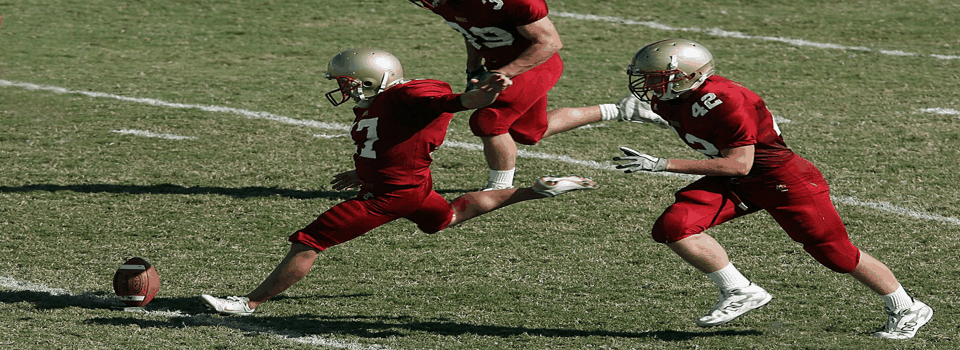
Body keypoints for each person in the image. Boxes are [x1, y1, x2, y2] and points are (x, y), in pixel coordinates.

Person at [199, 48, 599, 315]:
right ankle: (539, 189)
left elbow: (451, 103)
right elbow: (394, 140)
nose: (343, 88)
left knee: (310, 241)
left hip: (389, 196)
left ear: (375, 78)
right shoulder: (381, 104)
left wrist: (477, 98)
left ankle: (248, 303)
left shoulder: (409, 96)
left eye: (348, 81)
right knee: (449, 217)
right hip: (410, 187)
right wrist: (364, 169)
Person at [612, 39, 933, 339]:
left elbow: (739, 164)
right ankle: (739, 290)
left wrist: (663, 164)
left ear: (690, 75)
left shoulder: (727, 100)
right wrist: (606, 112)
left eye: (658, 77)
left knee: (836, 255)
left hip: (781, 180)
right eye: (648, 77)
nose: (651, 85)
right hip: (739, 181)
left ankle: (907, 307)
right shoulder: (670, 99)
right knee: (674, 226)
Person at [408, 0, 663, 190]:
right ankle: (623, 110)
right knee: (529, 132)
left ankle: (500, 188)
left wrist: (505, 73)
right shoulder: (445, 3)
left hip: (536, 64)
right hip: (501, 64)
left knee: (488, 121)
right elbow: (473, 34)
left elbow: (549, 42)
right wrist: (474, 67)